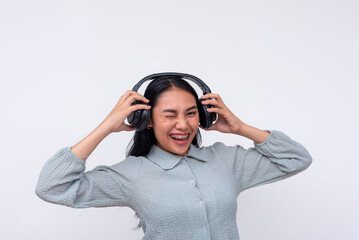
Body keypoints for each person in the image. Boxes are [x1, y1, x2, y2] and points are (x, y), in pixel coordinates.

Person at [35, 74, 312, 240]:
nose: (183, 124)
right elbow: (52, 186)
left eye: (191, 113)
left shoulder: (226, 162)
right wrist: (106, 126)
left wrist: (241, 128)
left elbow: (296, 159)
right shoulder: (132, 175)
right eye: (170, 115)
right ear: (148, 120)